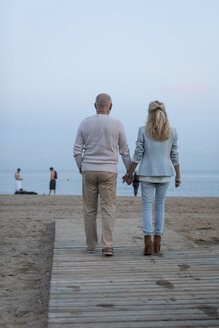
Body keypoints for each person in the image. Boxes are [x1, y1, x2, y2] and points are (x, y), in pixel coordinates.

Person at [73, 93, 131, 256]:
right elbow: (124, 151)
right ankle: (107, 245)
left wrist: (81, 167)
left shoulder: (85, 123)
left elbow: (77, 151)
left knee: (89, 210)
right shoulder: (117, 124)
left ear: (95, 106)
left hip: (89, 170)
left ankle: (91, 245)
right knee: (108, 208)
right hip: (109, 171)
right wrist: (129, 171)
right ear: (110, 106)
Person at [123, 100, 181, 255]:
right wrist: (178, 176)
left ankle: (147, 242)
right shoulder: (173, 131)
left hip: (147, 173)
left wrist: (129, 173)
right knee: (160, 207)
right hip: (165, 173)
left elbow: (138, 154)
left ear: (149, 114)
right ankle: (158, 242)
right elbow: (174, 155)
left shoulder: (142, 130)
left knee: (147, 207)